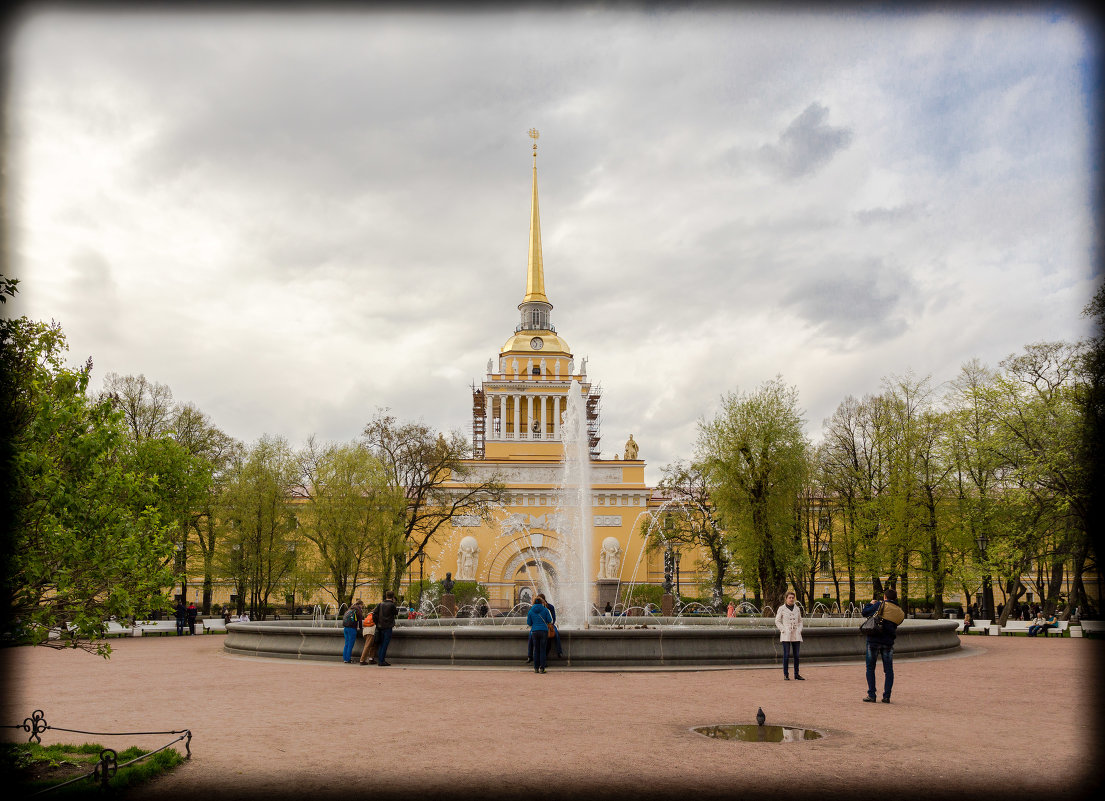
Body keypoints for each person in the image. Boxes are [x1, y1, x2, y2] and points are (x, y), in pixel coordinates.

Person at [861, 588, 904, 703]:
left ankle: (871, 694)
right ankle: (886, 696)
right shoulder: (899, 611)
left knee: (870, 667)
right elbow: (898, 622)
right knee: (888, 670)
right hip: (888, 642)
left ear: (885, 597)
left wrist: (870, 604)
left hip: (874, 640)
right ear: (895, 598)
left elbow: (865, 612)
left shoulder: (881, 604)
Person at [774, 590, 804, 680]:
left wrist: (799, 629)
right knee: (786, 655)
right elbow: (777, 621)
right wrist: (783, 629)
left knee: (797, 655)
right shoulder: (781, 608)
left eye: (792, 598)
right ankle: (786, 674)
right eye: (789, 598)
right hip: (786, 633)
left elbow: (800, 621)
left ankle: (796, 674)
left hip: (796, 633)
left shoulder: (797, 608)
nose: (791, 599)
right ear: (786, 599)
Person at [526, 597, 553, 674]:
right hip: (544, 631)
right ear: (542, 602)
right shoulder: (545, 610)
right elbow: (549, 620)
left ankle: (536, 668)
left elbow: (529, 623)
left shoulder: (531, 611)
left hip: (534, 631)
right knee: (542, 650)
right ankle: (542, 668)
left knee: (536, 650)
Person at [372, 591, 398, 666]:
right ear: (392, 597)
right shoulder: (391, 605)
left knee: (381, 644)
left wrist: (377, 623)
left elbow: (374, 614)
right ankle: (381, 661)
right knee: (384, 644)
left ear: (386, 596)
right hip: (387, 627)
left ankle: (381, 660)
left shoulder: (380, 604)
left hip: (380, 627)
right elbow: (396, 613)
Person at [537, 594, 564, 659]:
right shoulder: (537, 607)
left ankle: (559, 651)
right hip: (540, 625)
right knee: (530, 634)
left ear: (543, 599)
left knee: (556, 634)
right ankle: (529, 655)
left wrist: (551, 624)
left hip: (550, 624)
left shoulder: (550, 607)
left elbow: (554, 618)